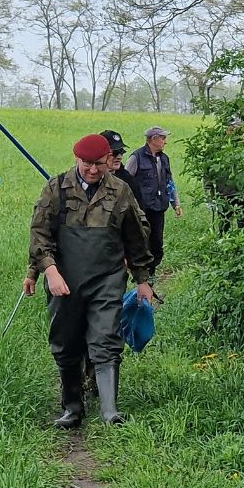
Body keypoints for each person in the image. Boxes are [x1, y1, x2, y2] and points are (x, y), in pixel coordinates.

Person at [23, 134, 154, 427]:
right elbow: (39, 234)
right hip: (64, 281)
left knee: (106, 338)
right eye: (87, 163)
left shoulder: (120, 191)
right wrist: (45, 271)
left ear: (108, 160)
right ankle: (72, 408)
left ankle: (110, 411)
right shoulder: (56, 188)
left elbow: (136, 236)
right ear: (77, 159)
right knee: (65, 341)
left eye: (99, 163)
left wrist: (142, 279)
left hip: (107, 279)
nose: (93, 170)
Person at [124, 126, 182, 277]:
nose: (165, 141)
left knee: (157, 243)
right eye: (163, 138)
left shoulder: (164, 158)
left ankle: (152, 274)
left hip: (159, 207)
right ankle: (143, 276)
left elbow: (170, 182)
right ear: (154, 139)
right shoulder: (136, 157)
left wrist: (176, 203)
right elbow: (124, 182)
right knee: (143, 242)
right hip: (141, 210)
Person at [101, 129, 143, 206]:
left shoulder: (127, 179)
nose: (119, 157)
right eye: (115, 153)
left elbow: (139, 207)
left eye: (121, 152)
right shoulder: (91, 177)